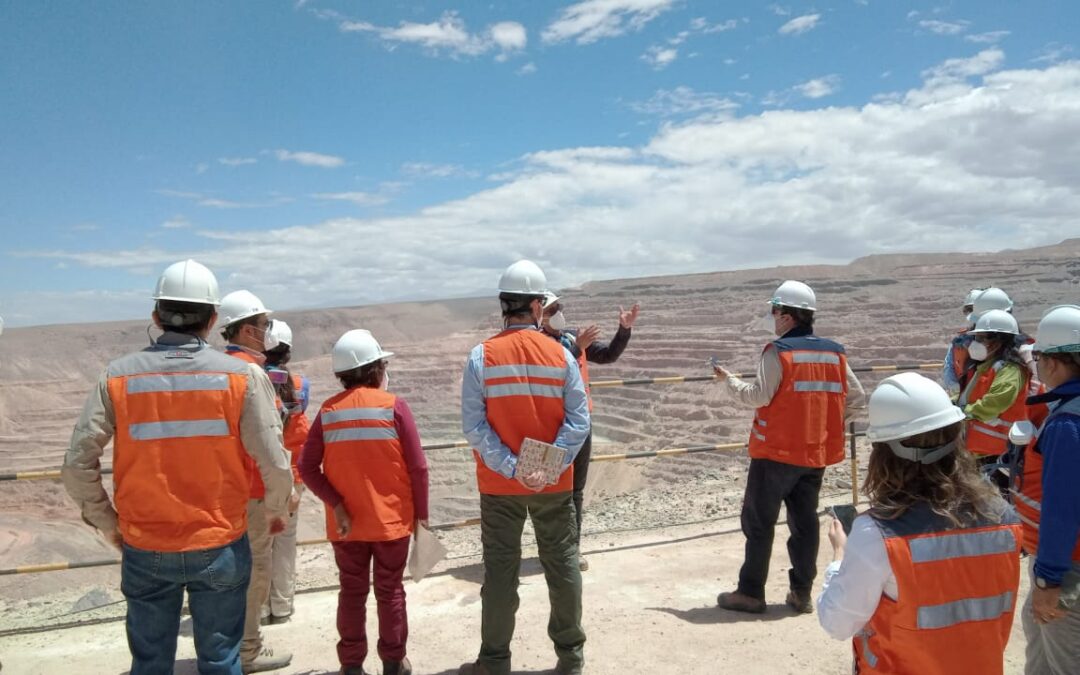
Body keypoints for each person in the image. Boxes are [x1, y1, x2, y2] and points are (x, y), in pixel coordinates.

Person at [61, 260, 293, 675]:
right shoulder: (240, 378)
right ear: (213, 319)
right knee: (221, 660)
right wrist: (277, 509)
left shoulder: (117, 377)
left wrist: (109, 523)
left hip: (145, 542)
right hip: (219, 541)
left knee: (150, 663)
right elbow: (274, 461)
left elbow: (77, 464)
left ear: (156, 316)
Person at [817, 372, 1022, 674]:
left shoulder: (878, 534)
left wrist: (839, 558)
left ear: (884, 453)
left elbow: (837, 622)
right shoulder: (1004, 518)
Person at [458, 260, 590, 675]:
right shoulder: (562, 355)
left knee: (500, 573)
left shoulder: (481, 357)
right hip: (553, 484)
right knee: (562, 565)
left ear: (503, 305)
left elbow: (474, 426)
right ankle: (571, 658)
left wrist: (513, 467)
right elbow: (579, 421)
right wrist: (547, 467)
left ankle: (494, 661)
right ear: (537, 306)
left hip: (500, 487)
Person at [713, 280, 864, 614]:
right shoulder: (834, 352)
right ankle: (801, 593)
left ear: (788, 315)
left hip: (775, 454)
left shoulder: (779, 352)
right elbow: (857, 397)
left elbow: (758, 396)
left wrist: (729, 382)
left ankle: (751, 593)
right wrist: (829, 424)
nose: (773, 316)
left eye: (775, 310)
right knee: (804, 522)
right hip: (814, 454)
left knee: (759, 522)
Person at [300, 329, 429, 675]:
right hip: (391, 523)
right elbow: (418, 468)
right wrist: (422, 516)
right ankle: (393, 662)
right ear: (375, 369)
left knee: (352, 593)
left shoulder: (328, 411)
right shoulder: (394, 407)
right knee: (390, 592)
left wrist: (337, 504)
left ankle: (351, 665)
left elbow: (307, 468)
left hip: (346, 526)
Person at [219, 289, 293, 673]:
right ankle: (247, 651)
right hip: (252, 493)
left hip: (219, 492)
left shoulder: (215, 369)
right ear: (247, 330)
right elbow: (270, 443)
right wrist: (280, 502)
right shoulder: (250, 373)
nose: (268, 331)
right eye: (265, 325)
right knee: (253, 573)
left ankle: (220, 649)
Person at [541, 291, 640, 571]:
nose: (558, 313)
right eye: (551, 310)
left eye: (559, 307)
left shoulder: (573, 336)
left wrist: (624, 330)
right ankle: (551, 548)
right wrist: (576, 349)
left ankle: (571, 550)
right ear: (539, 315)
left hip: (581, 425)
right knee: (550, 490)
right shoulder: (538, 344)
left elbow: (608, 355)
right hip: (553, 427)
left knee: (576, 491)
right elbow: (551, 375)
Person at [1012, 305, 1080, 674]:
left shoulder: (1068, 423)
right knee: (1039, 642)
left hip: (1067, 566)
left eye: (1039, 359)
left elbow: (1062, 509)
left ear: (1053, 362)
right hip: (1061, 560)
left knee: (1066, 658)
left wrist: (1049, 580)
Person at [260, 320, 311, 626]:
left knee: (259, 543)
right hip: (292, 475)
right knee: (285, 541)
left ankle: (260, 609)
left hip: (260, 475)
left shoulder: (251, 382)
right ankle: (282, 606)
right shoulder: (301, 385)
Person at [958, 309, 1031, 466]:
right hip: (978, 451)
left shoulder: (1010, 370)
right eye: (975, 338)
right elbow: (968, 396)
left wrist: (962, 412)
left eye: (980, 338)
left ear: (998, 341)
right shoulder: (985, 367)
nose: (975, 343)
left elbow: (995, 403)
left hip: (997, 454)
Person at [942, 288, 981, 395]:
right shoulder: (960, 341)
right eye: (969, 309)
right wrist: (957, 391)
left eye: (974, 309)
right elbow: (949, 367)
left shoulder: (998, 341)